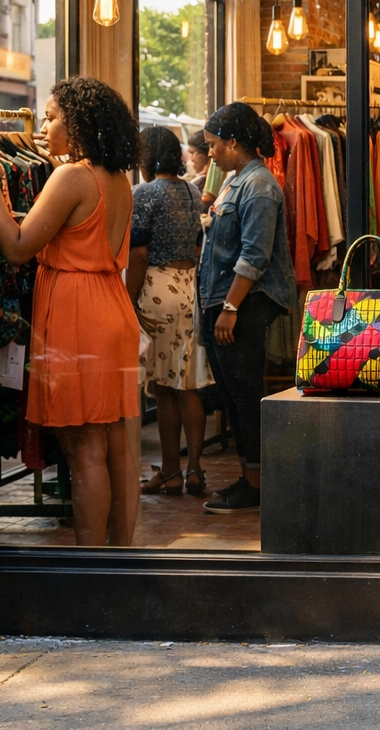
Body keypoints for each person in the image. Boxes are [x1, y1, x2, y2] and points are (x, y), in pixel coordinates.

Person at [0, 76, 141, 547]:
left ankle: (90, 566)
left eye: (52, 116)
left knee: (84, 449)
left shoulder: (71, 176)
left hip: (78, 314)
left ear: (78, 124)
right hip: (111, 307)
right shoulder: (116, 179)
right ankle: (119, 556)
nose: (44, 125)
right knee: (115, 445)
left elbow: (19, 247)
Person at [197, 103, 296, 515]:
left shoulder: (259, 186)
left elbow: (255, 254)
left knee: (244, 394)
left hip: (243, 304)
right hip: (225, 301)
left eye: (215, 145)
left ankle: (255, 484)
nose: (212, 153)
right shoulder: (237, 181)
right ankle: (247, 478)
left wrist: (231, 306)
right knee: (234, 395)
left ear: (234, 142)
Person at [127, 127, 208, 498]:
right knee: (187, 384)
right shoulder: (192, 191)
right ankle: (194, 470)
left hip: (157, 289)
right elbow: (195, 245)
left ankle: (171, 472)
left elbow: (139, 255)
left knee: (162, 388)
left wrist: (127, 301)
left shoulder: (142, 194)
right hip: (189, 287)